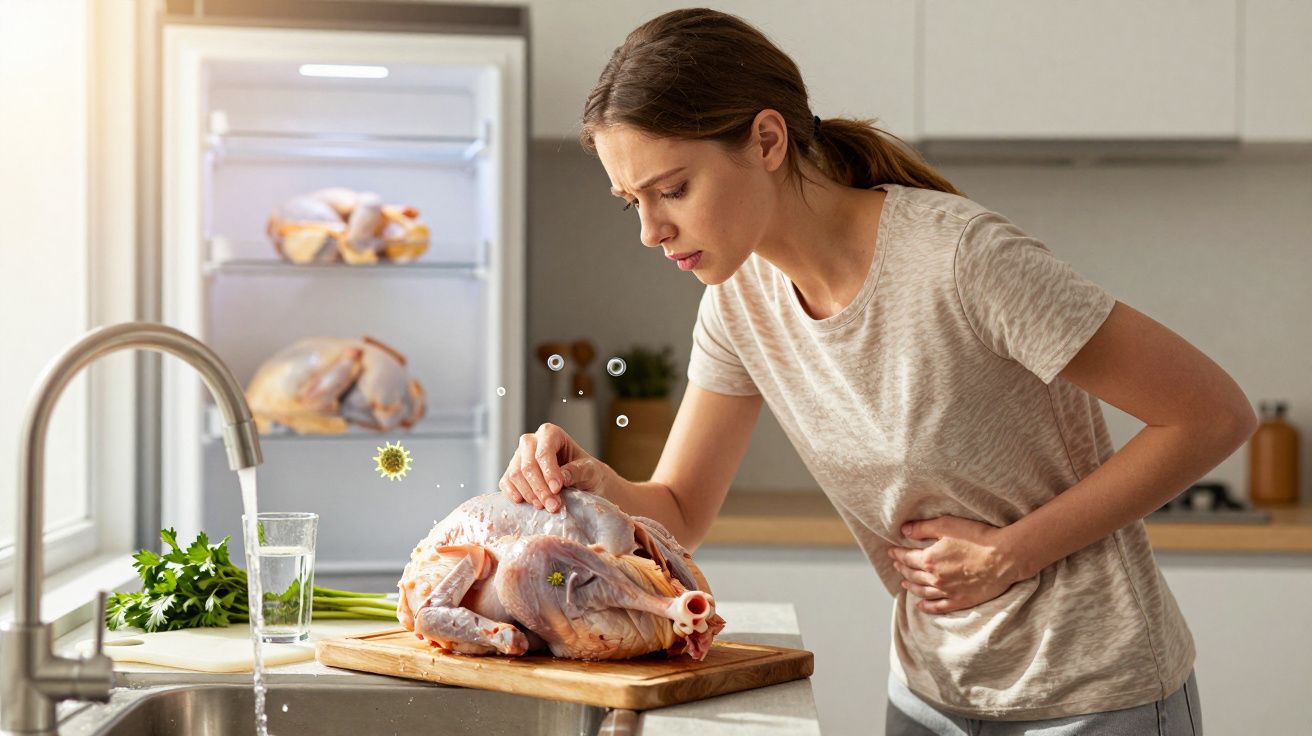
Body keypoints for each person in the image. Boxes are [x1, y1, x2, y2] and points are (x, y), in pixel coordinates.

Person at [499, 8, 1246, 734]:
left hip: (1096, 692)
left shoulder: (962, 260)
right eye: (632, 200)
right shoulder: (738, 304)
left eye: (672, 189)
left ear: (766, 140)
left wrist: (1009, 554)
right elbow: (681, 510)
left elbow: (1211, 415)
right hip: (931, 690)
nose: (649, 231)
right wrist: (599, 485)